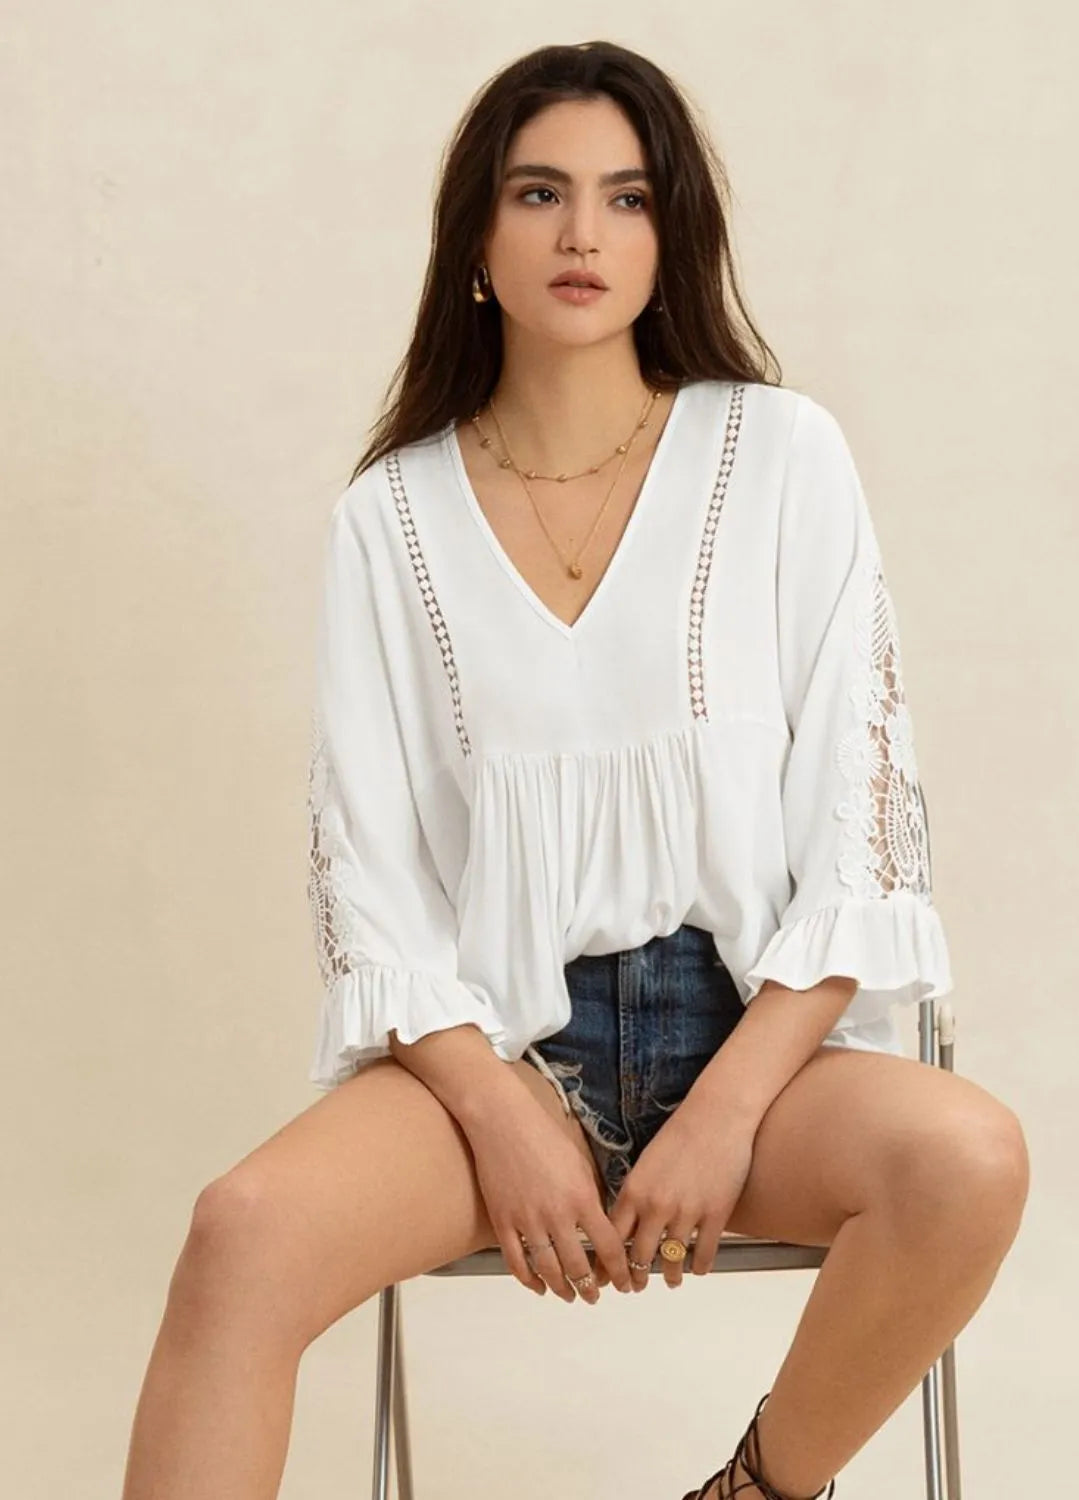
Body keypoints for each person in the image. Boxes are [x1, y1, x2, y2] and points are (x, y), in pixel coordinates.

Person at [120, 40, 1030, 1500]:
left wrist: (725, 1107)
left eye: (624, 197)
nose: (582, 234)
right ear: (476, 240)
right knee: (239, 1235)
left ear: (672, 239)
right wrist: (501, 1117)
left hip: (757, 1054)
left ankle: (750, 1495)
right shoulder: (391, 518)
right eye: (539, 193)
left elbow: (859, 847)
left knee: (968, 1160)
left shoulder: (780, 454)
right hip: (494, 1065)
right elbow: (370, 875)